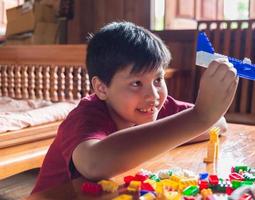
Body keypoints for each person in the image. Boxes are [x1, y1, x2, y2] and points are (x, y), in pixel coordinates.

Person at [32, 21, 238, 193]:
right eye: (136, 83)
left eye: (158, 80)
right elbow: (94, 163)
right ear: (101, 88)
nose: (154, 95)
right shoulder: (85, 116)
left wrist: (203, 117)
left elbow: (219, 123)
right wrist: (198, 117)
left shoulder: (153, 107)